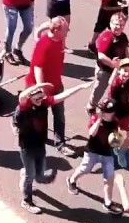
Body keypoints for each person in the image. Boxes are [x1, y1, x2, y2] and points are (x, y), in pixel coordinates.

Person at [13, 80, 90, 214]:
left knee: (37, 172)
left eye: (41, 97)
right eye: (36, 98)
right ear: (30, 97)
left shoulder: (44, 103)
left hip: (40, 143)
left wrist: (80, 87)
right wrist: (37, 86)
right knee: (31, 175)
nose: (39, 100)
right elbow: (22, 97)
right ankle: (26, 201)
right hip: (27, 146)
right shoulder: (24, 106)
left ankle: (25, 173)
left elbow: (62, 96)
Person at [67, 99, 129, 213]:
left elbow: (115, 137)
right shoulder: (95, 118)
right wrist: (99, 119)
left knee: (109, 179)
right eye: (100, 109)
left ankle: (108, 203)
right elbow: (91, 133)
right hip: (92, 151)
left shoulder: (115, 121)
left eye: (104, 111)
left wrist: (117, 142)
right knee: (85, 169)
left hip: (106, 153)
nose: (101, 112)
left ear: (113, 113)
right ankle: (71, 180)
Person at [26, 17, 70, 155]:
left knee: (59, 115)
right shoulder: (44, 44)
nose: (68, 31)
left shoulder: (60, 39)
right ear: (56, 30)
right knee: (35, 113)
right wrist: (41, 87)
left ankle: (60, 143)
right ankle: (17, 120)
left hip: (56, 84)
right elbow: (38, 67)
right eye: (65, 29)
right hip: (41, 86)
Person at [89, 12, 129, 114]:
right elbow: (101, 56)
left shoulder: (123, 37)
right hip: (104, 71)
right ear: (110, 23)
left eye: (121, 25)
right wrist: (112, 63)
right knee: (98, 91)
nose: (118, 27)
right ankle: (91, 106)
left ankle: (111, 111)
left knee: (116, 92)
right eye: (116, 24)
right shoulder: (105, 36)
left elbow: (126, 51)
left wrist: (127, 64)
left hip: (117, 71)